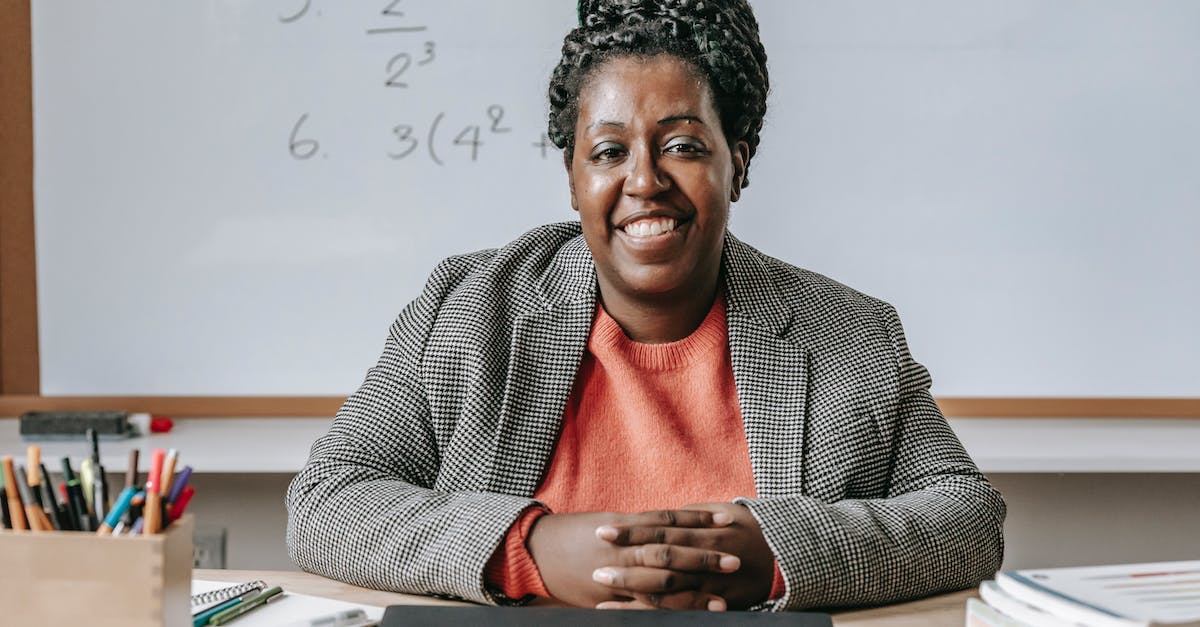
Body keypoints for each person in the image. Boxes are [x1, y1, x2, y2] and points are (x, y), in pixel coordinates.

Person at [286, 0, 1005, 612]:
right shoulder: (470, 311)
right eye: (607, 152)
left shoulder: (846, 333)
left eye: (683, 145)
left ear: (739, 163)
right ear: (572, 177)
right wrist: (529, 546)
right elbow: (326, 500)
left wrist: (779, 554)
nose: (644, 181)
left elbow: (969, 519)